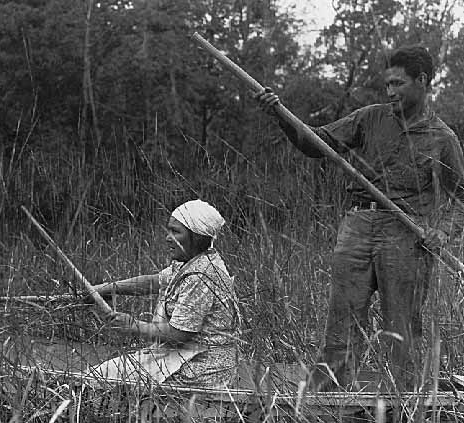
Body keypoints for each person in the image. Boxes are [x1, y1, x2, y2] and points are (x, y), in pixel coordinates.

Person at [256, 45, 464, 391]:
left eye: (398, 83)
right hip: (357, 227)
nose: (390, 91)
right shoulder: (369, 118)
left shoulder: (442, 138)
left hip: (406, 235)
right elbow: (315, 143)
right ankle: (328, 399)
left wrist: (442, 232)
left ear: (422, 81)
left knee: (402, 324)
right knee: (343, 320)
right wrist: (281, 116)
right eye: (387, 85)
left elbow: (461, 196)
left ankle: (403, 402)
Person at [89, 199, 240, 388]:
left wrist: (132, 325)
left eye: (175, 232)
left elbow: (178, 334)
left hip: (201, 368)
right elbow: (154, 282)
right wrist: (107, 288)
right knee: (104, 373)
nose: (168, 237)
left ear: (198, 236)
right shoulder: (191, 261)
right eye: (169, 230)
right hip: (183, 356)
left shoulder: (202, 275)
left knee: (101, 379)